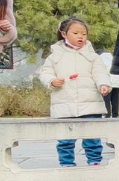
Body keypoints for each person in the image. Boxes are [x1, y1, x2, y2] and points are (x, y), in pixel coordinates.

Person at [38, 17, 111, 167]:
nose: (80, 37)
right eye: (76, 33)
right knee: (65, 137)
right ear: (64, 34)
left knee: (92, 136)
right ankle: (67, 162)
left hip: (89, 102)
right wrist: (52, 81)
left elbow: (100, 72)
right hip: (64, 103)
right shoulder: (55, 56)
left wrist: (103, 84)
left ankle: (95, 160)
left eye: (84, 34)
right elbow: (45, 73)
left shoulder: (92, 57)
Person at [97, 50, 119, 117]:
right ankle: (115, 115)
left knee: (107, 100)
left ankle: (107, 115)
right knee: (115, 100)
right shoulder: (112, 59)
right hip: (117, 82)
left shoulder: (100, 60)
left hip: (108, 82)